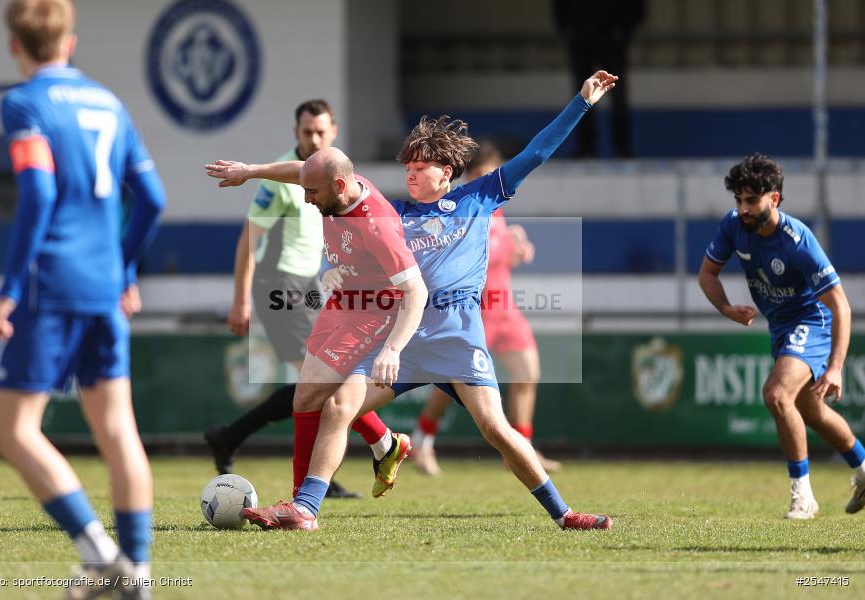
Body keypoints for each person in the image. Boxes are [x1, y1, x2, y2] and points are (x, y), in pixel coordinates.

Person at [215, 70, 618, 532]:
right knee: (337, 407)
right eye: (406, 165)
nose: (408, 172)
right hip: (403, 336)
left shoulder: (480, 197)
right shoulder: (391, 211)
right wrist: (251, 174)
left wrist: (581, 103)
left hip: (456, 335)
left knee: (495, 429)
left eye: (418, 166)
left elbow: (538, 152)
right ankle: (305, 510)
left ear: (445, 172)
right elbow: (320, 172)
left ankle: (564, 514)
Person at [0, 1, 166, 597]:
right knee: (118, 429)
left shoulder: (24, 103)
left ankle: (101, 554)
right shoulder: (111, 103)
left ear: (15, 44)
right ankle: (134, 576)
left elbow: (36, 193)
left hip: (53, 282)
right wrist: (124, 267)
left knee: (11, 431)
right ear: (71, 41)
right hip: (103, 287)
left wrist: (8, 289)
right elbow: (153, 199)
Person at [206, 147, 428, 521]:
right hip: (340, 304)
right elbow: (301, 171)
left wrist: (392, 349)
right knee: (306, 396)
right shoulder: (335, 185)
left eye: (313, 193)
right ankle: (379, 450)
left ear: (340, 185)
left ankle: (302, 505)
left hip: (372, 315)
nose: (307, 200)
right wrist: (251, 169)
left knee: (317, 398)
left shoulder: (376, 227)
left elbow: (416, 291)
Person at [203, 99, 359, 498]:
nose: (314, 138)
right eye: (307, 132)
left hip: (309, 287)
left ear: (333, 132)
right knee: (322, 381)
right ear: (296, 133)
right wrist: (240, 300)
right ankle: (333, 471)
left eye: (321, 131)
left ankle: (230, 436)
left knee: (315, 384)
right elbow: (248, 241)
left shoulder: (329, 174)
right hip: (280, 286)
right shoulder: (278, 178)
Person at [699, 153, 865, 519]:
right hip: (782, 328)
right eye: (739, 200)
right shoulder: (733, 226)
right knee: (812, 412)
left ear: (773, 199)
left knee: (775, 394)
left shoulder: (798, 242)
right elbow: (707, 275)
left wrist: (836, 367)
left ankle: (803, 496)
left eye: (751, 200)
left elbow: (841, 305)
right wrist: (727, 308)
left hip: (813, 322)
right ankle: (864, 470)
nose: (743, 208)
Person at [410, 142, 560, 476]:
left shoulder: (498, 210)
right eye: (480, 174)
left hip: (505, 308)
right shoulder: (463, 209)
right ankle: (422, 438)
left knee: (527, 374)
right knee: (452, 386)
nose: (488, 179)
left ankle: (521, 448)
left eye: (491, 172)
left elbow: (495, 254)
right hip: (475, 311)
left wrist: (516, 250)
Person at [551, 0, 645, 158]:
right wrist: (568, 30)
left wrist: (623, 31)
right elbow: (560, 6)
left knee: (618, 95)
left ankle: (622, 148)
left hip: (612, 40)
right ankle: (585, 147)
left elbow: (637, 7)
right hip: (581, 38)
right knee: (582, 96)